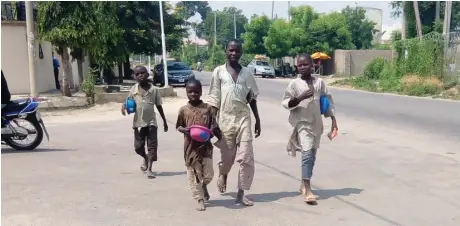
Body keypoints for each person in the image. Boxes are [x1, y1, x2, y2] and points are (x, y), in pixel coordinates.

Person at [208, 38, 261, 206]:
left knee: (246, 156)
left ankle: (241, 192)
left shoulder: (247, 73)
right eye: (231, 50)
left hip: (244, 118)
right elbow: (214, 98)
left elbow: (252, 98)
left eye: (237, 51)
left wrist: (258, 120)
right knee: (227, 158)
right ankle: (223, 174)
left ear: (241, 53)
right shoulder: (218, 72)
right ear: (226, 50)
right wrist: (212, 122)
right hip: (225, 120)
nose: (234, 53)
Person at [281, 53, 338, 205]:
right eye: (299, 65)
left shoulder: (320, 83)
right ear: (297, 67)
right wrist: (300, 97)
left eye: (305, 64)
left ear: (312, 65)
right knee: (306, 154)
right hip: (302, 124)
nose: (302, 67)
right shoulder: (294, 84)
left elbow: (327, 101)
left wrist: (333, 120)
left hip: (316, 124)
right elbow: (286, 102)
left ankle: (303, 183)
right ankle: (308, 189)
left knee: (312, 156)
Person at [176, 79, 222, 211]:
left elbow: (214, 124)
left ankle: (204, 185)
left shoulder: (208, 108)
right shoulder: (183, 110)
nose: (193, 94)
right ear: (186, 92)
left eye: (196, 91)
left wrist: (214, 132)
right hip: (191, 148)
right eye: (190, 92)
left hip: (206, 146)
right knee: (194, 173)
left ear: (201, 92)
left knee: (208, 173)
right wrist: (185, 130)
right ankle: (199, 199)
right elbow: (179, 126)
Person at [121, 65, 168, 179]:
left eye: (142, 73)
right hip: (138, 123)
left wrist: (164, 121)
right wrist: (123, 106)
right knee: (138, 147)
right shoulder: (134, 89)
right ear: (134, 77)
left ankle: (150, 169)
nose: (140, 75)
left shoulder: (154, 90)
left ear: (148, 74)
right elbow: (128, 101)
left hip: (151, 122)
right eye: (137, 74)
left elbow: (159, 106)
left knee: (152, 146)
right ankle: (146, 158)